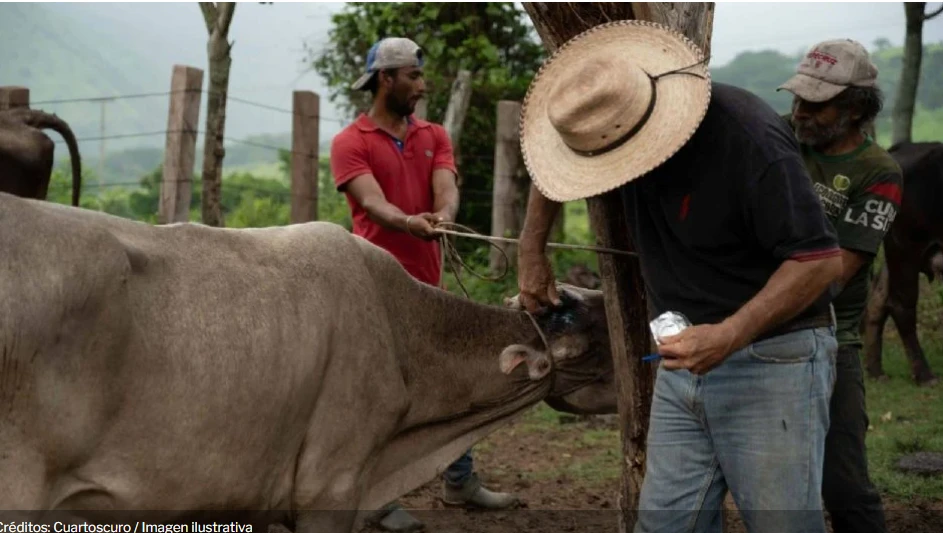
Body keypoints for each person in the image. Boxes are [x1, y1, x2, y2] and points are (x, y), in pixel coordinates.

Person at [513, 20, 842, 533]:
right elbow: (551, 161)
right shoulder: (604, 119)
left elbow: (819, 262)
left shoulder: (749, 140)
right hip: (681, 359)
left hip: (773, 357)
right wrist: (531, 248)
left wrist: (729, 334)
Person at [329, 36, 518, 533]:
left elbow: (446, 187)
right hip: (374, 288)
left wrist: (443, 216)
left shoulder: (434, 134)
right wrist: (409, 223)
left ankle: (460, 480)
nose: (421, 84)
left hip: (428, 284)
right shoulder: (351, 141)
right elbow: (371, 204)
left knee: (451, 377)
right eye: (412, 75)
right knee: (382, 392)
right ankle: (376, 499)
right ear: (385, 79)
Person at [777, 38, 900, 533]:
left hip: (830, 338)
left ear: (853, 109)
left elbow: (834, 274)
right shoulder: (780, 135)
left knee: (844, 484)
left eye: (817, 105)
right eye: (798, 100)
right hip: (750, 326)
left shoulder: (879, 173)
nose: (801, 113)